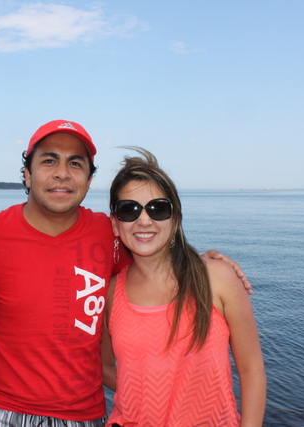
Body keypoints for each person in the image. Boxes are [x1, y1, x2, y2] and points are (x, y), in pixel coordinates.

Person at [0, 120, 253, 426]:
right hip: (4, 412)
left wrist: (203, 262)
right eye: (49, 160)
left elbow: (155, 253)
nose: (62, 172)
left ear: (88, 180)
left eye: (76, 163)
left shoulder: (110, 233)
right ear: (27, 175)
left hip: (86, 416)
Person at [101, 147, 266, 426]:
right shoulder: (111, 292)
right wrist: (147, 393)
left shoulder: (216, 278)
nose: (144, 219)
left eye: (158, 208)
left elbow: (251, 371)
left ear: (175, 219)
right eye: (129, 210)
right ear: (115, 224)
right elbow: (103, 367)